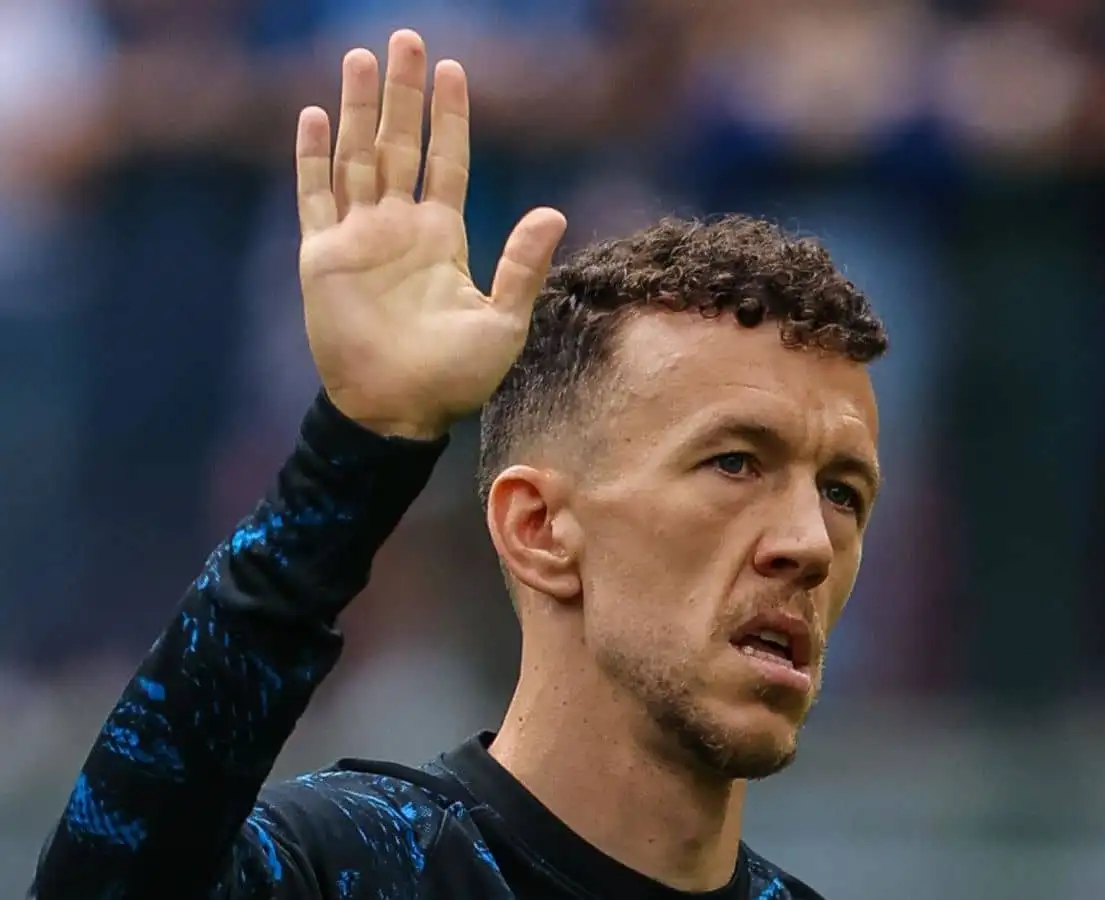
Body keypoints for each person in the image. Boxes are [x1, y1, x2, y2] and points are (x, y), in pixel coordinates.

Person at [31, 28, 886, 900]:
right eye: (737, 463)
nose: (810, 542)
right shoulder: (356, 869)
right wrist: (359, 445)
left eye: (842, 492)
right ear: (539, 527)